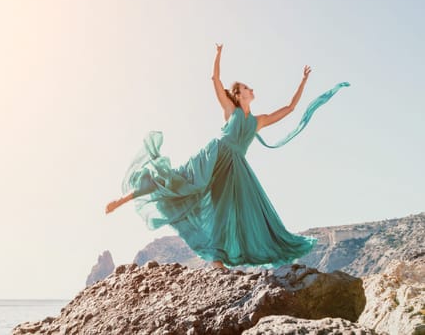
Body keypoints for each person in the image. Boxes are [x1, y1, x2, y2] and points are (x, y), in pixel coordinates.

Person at [105, 44, 350, 270]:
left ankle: (217, 260)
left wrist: (303, 81)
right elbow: (215, 79)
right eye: (247, 88)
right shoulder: (230, 110)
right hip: (214, 156)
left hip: (235, 168)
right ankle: (123, 199)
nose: (251, 89)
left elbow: (290, 108)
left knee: (231, 211)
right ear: (238, 94)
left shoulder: (258, 121)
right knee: (176, 180)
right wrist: (218, 54)